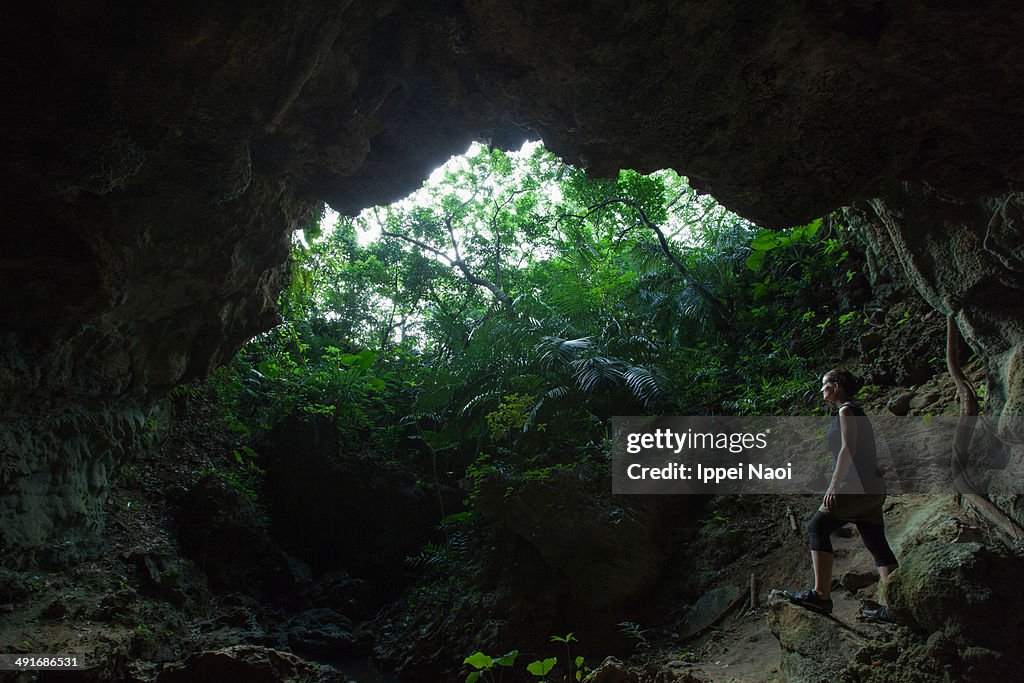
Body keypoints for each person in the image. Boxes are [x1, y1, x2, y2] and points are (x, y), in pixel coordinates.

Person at [783, 369, 899, 622]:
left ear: (836, 386)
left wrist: (834, 485)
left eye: (825, 384)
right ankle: (898, 607)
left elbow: (848, 449)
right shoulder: (854, 411)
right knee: (877, 544)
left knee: (817, 527)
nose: (821, 389)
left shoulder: (846, 411)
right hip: (872, 488)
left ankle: (821, 595)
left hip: (856, 486)